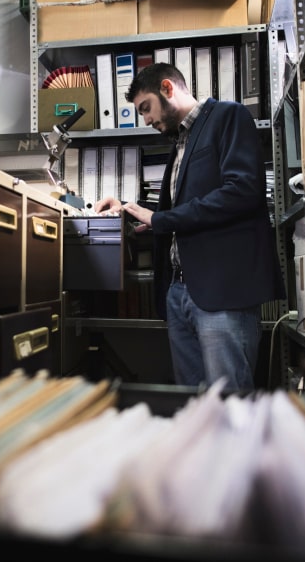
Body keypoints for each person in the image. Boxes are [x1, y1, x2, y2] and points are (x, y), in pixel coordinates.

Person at [94, 62, 284, 393]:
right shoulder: (181, 142)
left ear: (167, 88)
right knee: (193, 406)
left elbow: (242, 192)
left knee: (230, 406)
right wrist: (131, 210)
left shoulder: (228, 117)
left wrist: (160, 219)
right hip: (179, 293)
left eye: (146, 108)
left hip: (221, 293)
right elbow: (181, 211)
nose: (146, 120)